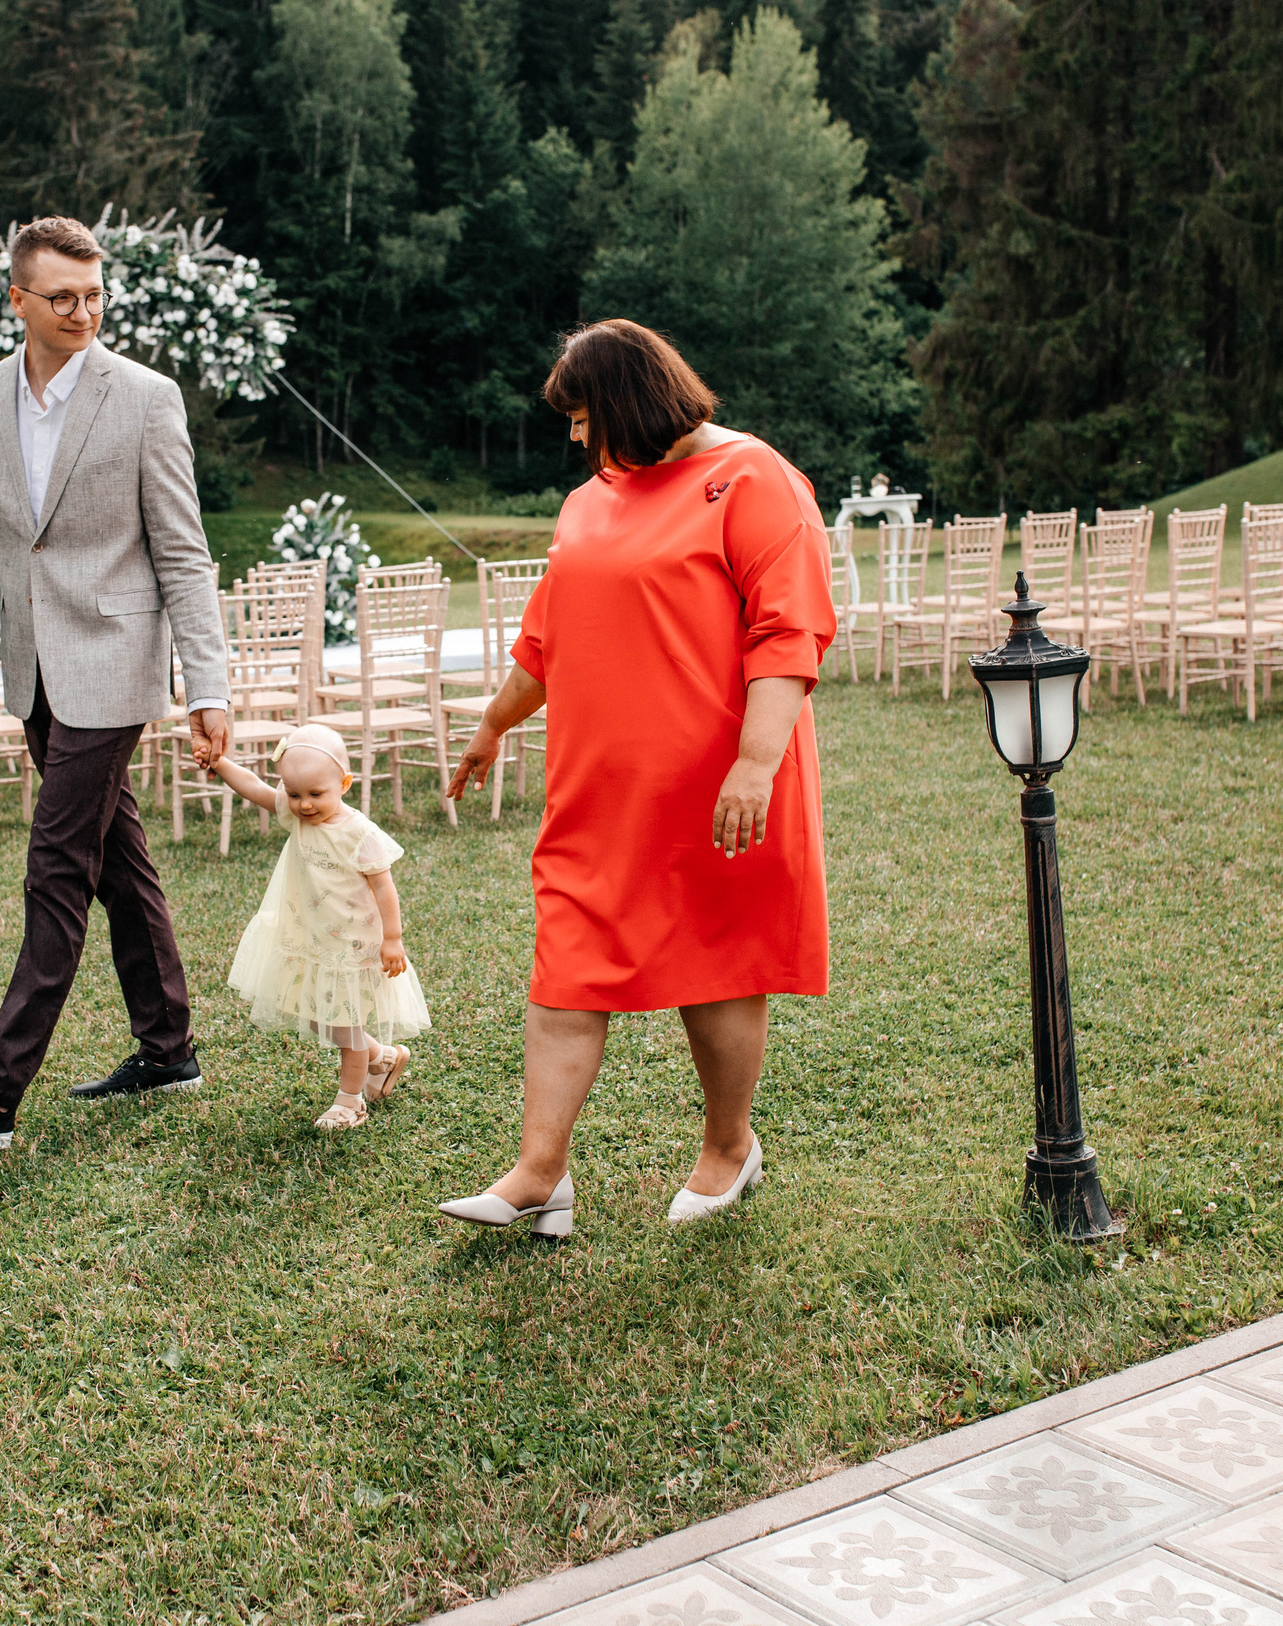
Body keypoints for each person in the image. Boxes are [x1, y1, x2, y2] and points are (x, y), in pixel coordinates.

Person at [437, 320, 836, 1236]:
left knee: (717, 964)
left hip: (716, 782)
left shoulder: (753, 478)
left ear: (628, 402)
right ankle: (540, 1173)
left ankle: (730, 1146)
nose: (575, 438)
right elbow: (547, 639)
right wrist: (495, 722)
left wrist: (754, 762)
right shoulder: (591, 502)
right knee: (568, 962)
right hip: (598, 789)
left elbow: (789, 631)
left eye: (582, 417)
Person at [0, 216, 232, 1154]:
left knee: (56, 866)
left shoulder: (145, 397)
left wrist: (205, 683)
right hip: (34, 672)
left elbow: (183, 550)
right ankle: (168, 1047)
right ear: (18, 300)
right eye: (62, 297)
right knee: (116, 863)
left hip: (116, 664)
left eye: (94, 295)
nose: (83, 311)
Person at [205, 722, 431, 1129]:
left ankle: (350, 1102)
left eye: (315, 794)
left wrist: (393, 939)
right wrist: (220, 763)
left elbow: (384, 886)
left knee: (346, 1023)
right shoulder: (297, 819)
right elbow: (255, 787)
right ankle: (383, 1058)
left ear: (344, 783)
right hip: (309, 937)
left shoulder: (359, 832)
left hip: (353, 946)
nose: (304, 805)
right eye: (293, 794)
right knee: (314, 1012)